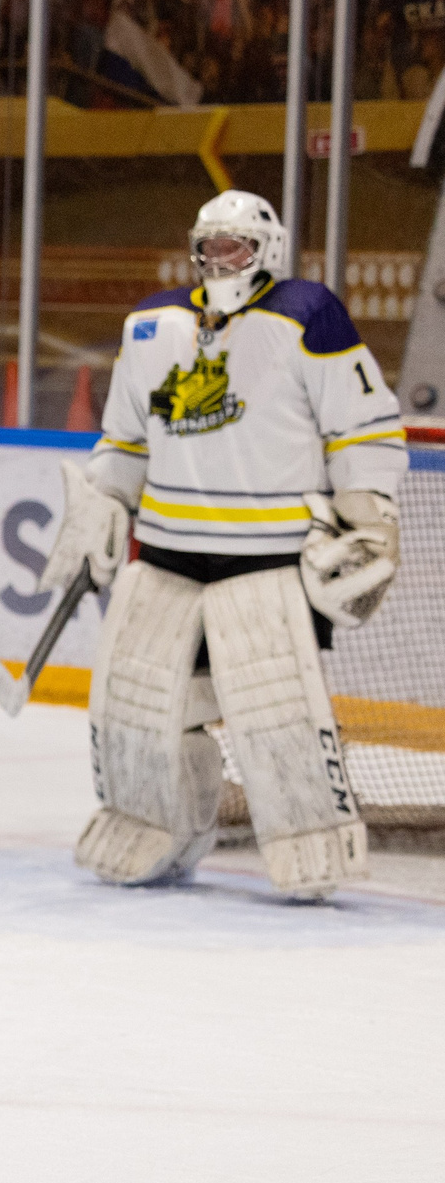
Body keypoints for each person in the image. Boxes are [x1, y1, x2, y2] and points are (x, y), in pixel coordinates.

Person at [43, 190, 406, 900]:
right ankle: (157, 826)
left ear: (266, 250)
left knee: (276, 714)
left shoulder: (307, 315)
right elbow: (125, 437)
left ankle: (311, 837)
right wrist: (106, 500)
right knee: (140, 710)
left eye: (235, 246)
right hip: (171, 552)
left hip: (270, 557)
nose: (220, 259)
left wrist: (368, 514)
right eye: (209, 246)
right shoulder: (151, 325)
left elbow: (362, 425)